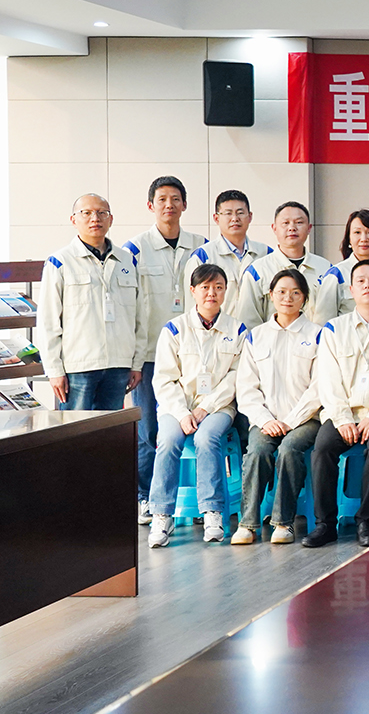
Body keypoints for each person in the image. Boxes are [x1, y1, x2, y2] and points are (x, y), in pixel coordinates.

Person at [304, 260, 369, 549]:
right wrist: (342, 418)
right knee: (323, 448)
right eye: (361, 281)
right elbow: (327, 379)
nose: (368, 285)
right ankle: (325, 524)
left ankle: (366, 521)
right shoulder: (334, 329)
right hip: (342, 413)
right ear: (351, 289)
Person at [123, 177, 205, 525]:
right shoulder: (134, 249)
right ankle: (145, 497)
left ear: (185, 205)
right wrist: (132, 358)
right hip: (150, 355)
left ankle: (199, 500)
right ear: (150, 206)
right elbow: (128, 304)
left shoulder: (201, 246)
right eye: (162, 199)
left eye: (175, 199)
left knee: (195, 427)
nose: (169, 205)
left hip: (192, 355)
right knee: (148, 430)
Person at [146, 264, 247, 547]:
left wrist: (207, 407)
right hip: (176, 406)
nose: (211, 293)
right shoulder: (174, 329)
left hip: (219, 407)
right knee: (168, 440)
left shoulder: (237, 330)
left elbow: (237, 377)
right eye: (205, 287)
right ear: (192, 291)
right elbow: (164, 379)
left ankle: (212, 512)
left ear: (226, 291)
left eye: (218, 287)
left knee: (206, 438)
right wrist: (182, 413)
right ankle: (161, 514)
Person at [231, 269, 323, 546]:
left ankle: (283, 522)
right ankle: (248, 524)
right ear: (271, 295)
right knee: (257, 452)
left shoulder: (318, 335)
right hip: (266, 419)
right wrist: (265, 419)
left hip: (306, 420)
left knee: (289, 449)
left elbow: (319, 387)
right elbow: (246, 388)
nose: (288, 298)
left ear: (304, 298)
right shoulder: (256, 336)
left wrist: (291, 421)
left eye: (295, 293)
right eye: (281, 292)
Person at [41, 193, 144, 411]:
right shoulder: (60, 262)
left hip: (119, 365)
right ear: (73, 220)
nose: (95, 218)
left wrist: (136, 363)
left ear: (111, 219)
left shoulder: (127, 261)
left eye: (101, 213)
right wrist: (54, 370)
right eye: (86, 213)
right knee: (76, 429)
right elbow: (48, 321)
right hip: (78, 367)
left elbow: (140, 317)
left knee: (110, 429)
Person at [236, 201, 329, 325]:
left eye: (299, 222)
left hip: (318, 337)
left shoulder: (326, 268)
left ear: (309, 228)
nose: (292, 228)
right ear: (274, 228)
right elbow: (248, 321)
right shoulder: (257, 271)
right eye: (285, 223)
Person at [185, 189, 272, 318]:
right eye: (228, 213)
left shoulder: (266, 254)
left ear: (250, 217)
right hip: (219, 329)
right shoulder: (203, 257)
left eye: (240, 213)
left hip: (257, 329)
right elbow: (191, 307)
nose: (235, 219)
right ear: (216, 218)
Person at [313, 209, 369, 322]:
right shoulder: (337, 274)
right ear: (349, 238)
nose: (364, 239)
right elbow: (323, 322)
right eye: (357, 232)